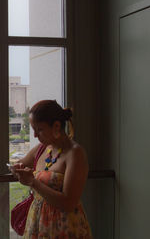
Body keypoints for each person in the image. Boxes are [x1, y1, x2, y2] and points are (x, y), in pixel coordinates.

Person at [11, 100, 92, 238]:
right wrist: (16, 169)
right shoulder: (42, 149)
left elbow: (69, 203)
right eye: (33, 130)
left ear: (56, 126)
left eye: (39, 129)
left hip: (64, 227)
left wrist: (33, 182)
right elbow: (19, 165)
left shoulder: (74, 153)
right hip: (37, 222)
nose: (35, 135)